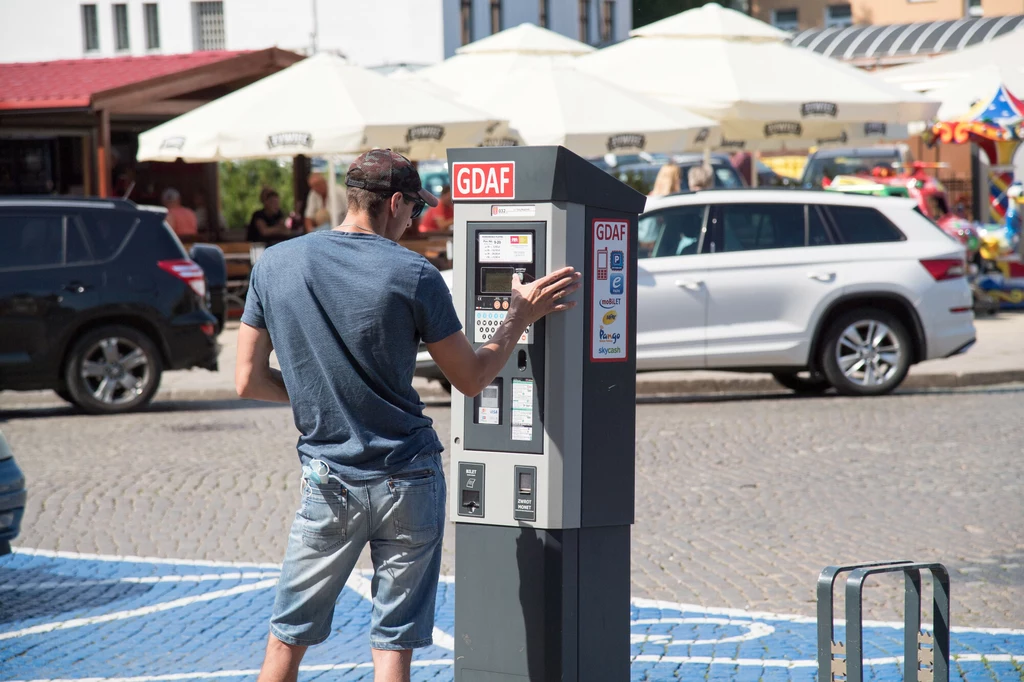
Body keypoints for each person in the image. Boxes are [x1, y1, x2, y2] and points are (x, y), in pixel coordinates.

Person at [235, 149, 580, 682]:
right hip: (408, 478)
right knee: (393, 645)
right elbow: (470, 378)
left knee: (287, 637)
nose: (413, 221)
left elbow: (247, 380)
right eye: (414, 210)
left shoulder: (276, 265)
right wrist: (519, 315)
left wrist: (320, 392)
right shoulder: (414, 273)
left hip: (329, 482)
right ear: (395, 202)